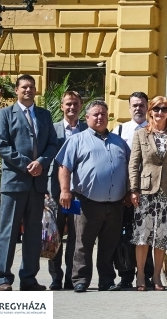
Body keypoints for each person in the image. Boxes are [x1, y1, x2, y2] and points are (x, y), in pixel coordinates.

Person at [0, 74, 59, 291]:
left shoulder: (44, 115)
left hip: (38, 185)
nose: (28, 90)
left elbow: (52, 144)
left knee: (32, 235)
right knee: (8, 232)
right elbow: (0, 145)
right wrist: (26, 163)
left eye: (31, 87)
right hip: (14, 184)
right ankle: (3, 278)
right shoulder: (5, 114)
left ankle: (29, 279)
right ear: (17, 90)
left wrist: (40, 162)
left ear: (35, 89)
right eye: (24, 87)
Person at [57, 100, 129, 293]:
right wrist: (65, 191)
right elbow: (64, 167)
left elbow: (129, 169)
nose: (100, 117)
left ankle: (106, 280)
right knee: (83, 244)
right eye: (95, 114)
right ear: (86, 117)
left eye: (103, 114)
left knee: (109, 245)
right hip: (86, 202)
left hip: (115, 205)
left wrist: (129, 192)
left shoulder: (119, 142)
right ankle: (80, 279)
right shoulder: (76, 140)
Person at [128, 96, 167, 291]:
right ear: (150, 111)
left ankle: (157, 276)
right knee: (142, 236)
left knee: (162, 236)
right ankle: (141, 275)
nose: (160, 112)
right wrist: (133, 189)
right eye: (156, 109)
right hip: (146, 191)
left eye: (164, 109)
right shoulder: (141, 134)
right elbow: (134, 163)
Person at [111, 91, 151, 289]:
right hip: (125, 194)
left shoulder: (154, 129)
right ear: (129, 108)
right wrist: (126, 192)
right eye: (134, 105)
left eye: (142, 105)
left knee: (148, 237)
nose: (138, 108)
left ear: (147, 107)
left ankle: (148, 275)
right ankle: (126, 275)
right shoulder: (119, 130)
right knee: (125, 237)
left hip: (149, 193)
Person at [48, 90, 87, 290]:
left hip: (78, 194)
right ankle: (55, 277)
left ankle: (72, 277)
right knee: (54, 236)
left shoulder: (88, 129)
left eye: (75, 104)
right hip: (56, 193)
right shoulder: (52, 130)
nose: (72, 107)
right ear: (62, 106)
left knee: (75, 236)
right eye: (68, 104)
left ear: (81, 106)